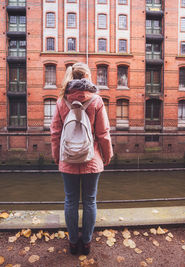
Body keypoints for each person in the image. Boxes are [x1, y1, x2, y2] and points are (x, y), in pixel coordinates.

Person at [50, 62, 113, 255]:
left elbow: (55, 132)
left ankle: (72, 242)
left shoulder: (62, 101)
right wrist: (107, 155)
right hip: (91, 158)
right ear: (87, 77)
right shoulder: (96, 100)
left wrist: (56, 157)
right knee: (90, 201)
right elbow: (103, 133)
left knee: (70, 200)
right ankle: (86, 243)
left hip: (67, 158)